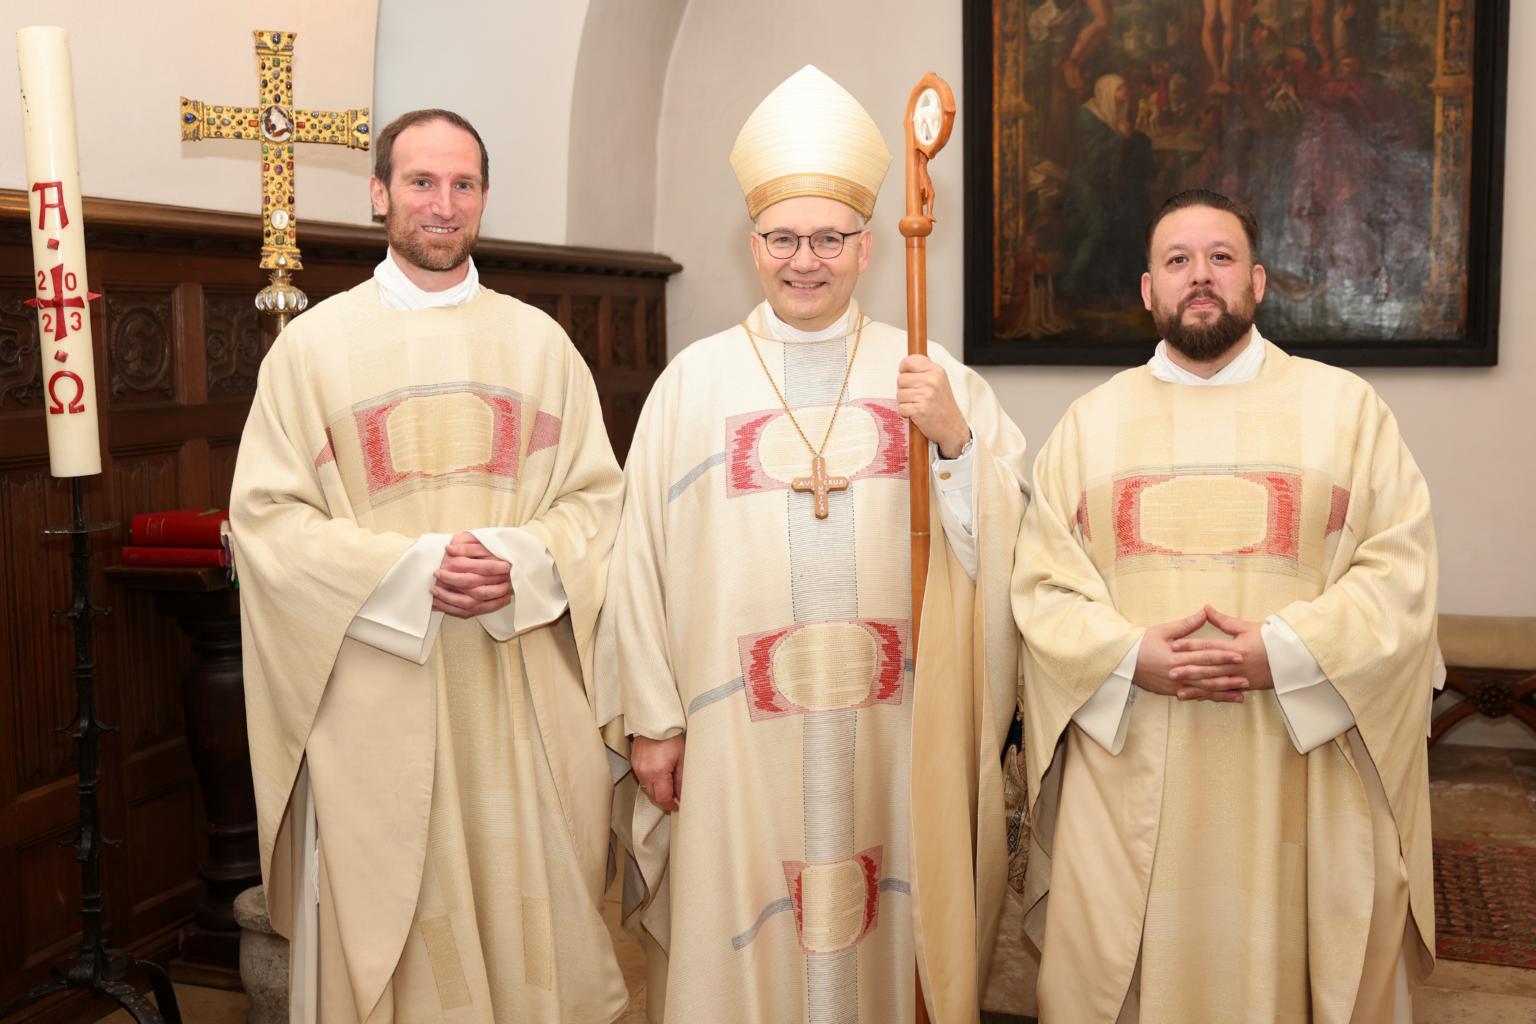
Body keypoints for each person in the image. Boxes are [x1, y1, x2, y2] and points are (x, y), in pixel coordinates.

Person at [598, 66, 1030, 1023]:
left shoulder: (929, 372)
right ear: (752, 245)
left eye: (829, 238)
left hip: (893, 738)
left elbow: (1012, 544)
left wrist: (955, 443)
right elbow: (636, 566)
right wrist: (656, 718)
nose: (807, 260)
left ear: (867, 246)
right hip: (732, 744)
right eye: (785, 239)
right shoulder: (692, 385)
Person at [231, 108, 628, 1024]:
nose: (442, 206)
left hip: (517, 687)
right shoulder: (311, 351)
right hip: (374, 693)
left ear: (484, 198)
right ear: (380, 195)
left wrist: (523, 561)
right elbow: (265, 523)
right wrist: (412, 570)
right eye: (420, 183)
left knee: (528, 919)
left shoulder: (540, 345)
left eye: (463, 185)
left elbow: (600, 506)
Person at [1013, 189, 1441, 1022]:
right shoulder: (1087, 426)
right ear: (1148, 290)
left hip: (1300, 766)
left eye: (1220, 258)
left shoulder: (1347, 410)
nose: (1199, 276)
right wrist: (1131, 657)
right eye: (1178, 261)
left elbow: (1402, 569)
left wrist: (1283, 653)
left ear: (1258, 280)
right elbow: (1043, 586)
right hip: (1131, 759)